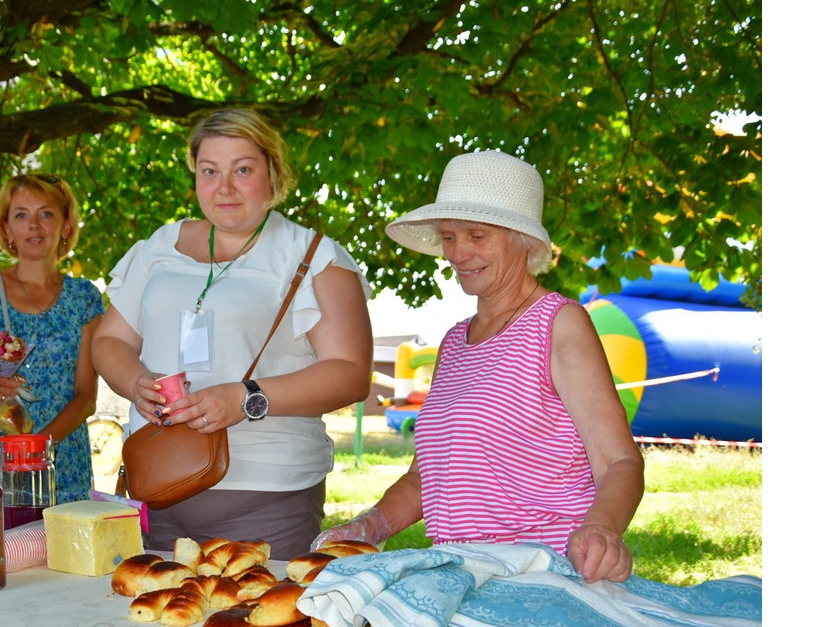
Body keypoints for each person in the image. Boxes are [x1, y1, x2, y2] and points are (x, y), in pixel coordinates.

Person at [315, 150, 644, 583]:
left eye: (477, 235)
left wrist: (601, 530)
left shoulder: (558, 323)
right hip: (462, 575)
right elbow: (426, 475)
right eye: (449, 237)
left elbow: (618, 459)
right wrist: (370, 525)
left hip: (546, 574)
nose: (458, 253)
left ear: (523, 241)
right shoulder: (455, 341)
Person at [92, 107, 374, 560]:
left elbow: (349, 374)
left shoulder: (314, 255)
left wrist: (245, 398)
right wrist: (134, 384)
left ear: (273, 173)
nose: (224, 187)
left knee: (253, 626)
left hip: (266, 501)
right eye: (210, 171)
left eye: (242, 169)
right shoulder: (158, 248)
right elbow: (110, 342)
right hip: (158, 489)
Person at [0, 174, 103, 503]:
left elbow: (85, 397)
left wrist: (37, 449)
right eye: (21, 215)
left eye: (47, 213)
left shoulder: (84, 298)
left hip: (61, 469)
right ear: (6, 228)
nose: (34, 226)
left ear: (65, 226)